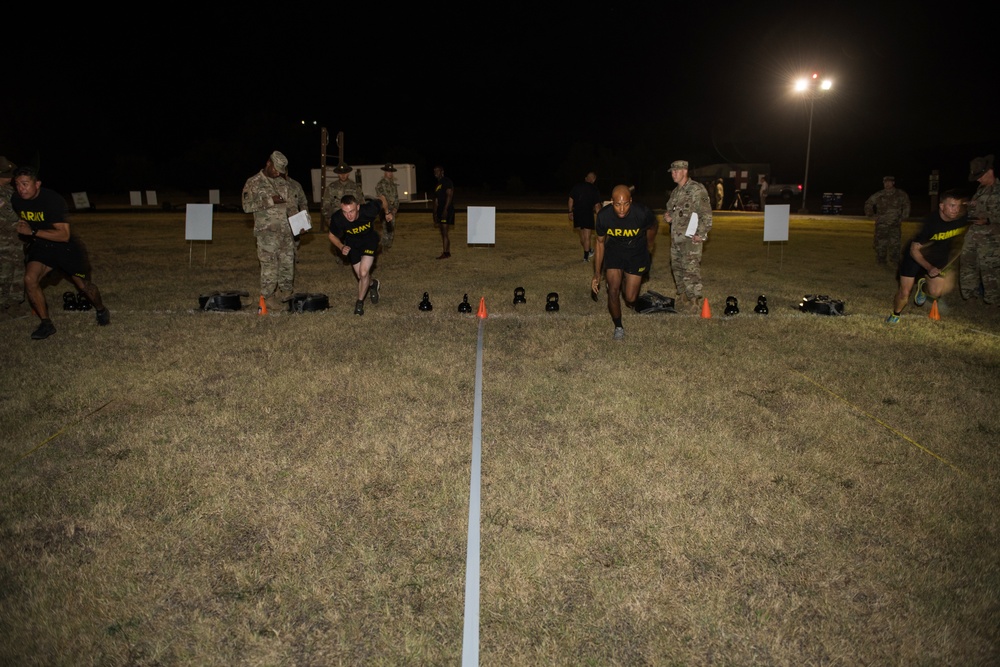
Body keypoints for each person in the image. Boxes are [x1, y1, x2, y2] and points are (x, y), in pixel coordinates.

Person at [11, 165, 110, 339]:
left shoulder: (53, 200)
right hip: (42, 246)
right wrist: (26, 230)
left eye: (25, 184)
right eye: (17, 184)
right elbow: (26, 219)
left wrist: (32, 232)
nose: (21, 188)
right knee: (29, 279)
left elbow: (64, 235)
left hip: (66, 248)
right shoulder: (16, 200)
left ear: (37, 184)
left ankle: (101, 310)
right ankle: (46, 324)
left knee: (83, 286)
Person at [885, 189, 968, 323]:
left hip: (938, 256)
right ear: (942, 206)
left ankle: (922, 286)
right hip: (915, 256)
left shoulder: (962, 219)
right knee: (904, 293)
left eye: (958, 206)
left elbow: (979, 215)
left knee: (935, 293)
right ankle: (896, 315)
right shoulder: (930, 223)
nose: (956, 210)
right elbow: (914, 250)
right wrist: (929, 268)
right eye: (952, 205)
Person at [591, 184, 658, 340]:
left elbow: (653, 225)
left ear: (631, 201)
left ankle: (624, 282)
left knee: (631, 298)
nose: (622, 209)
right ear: (611, 202)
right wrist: (597, 273)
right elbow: (600, 243)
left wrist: (649, 244)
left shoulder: (642, 213)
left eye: (626, 204)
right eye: (617, 205)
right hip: (614, 250)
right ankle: (618, 326)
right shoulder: (604, 216)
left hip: (636, 251)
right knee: (613, 290)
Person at [242, 151, 298, 312]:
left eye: (280, 171)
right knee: (270, 266)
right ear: (268, 163)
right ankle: (268, 297)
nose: (277, 173)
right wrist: (269, 201)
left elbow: (292, 206)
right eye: (275, 169)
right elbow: (246, 206)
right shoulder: (253, 182)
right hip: (267, 233)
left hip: (286, 232)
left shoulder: (283, 183)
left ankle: (286, 294)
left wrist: (299, 224)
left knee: (287, 264)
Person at [328, 193, 394, 315]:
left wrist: (387, 212)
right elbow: (332, 236)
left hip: (369, 240)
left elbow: (383, 198)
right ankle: (373, 284)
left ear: (358, 207)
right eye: (345, 212)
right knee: (361, 277)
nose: (348, 215)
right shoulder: (338, 218)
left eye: (351, 211)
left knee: (363, 273)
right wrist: (341, 246)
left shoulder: (369, 210)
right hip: (352, 244)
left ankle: (359, 303)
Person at [664, 160, 713, 312]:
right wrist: (668, 217)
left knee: (690, 270)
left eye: (675, 171)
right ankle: (682, 296)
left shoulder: (696, 189)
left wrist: (701, 234)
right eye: (672, 171)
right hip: (676, 239)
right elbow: (672, 212)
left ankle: (694, 301)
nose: (673, 174)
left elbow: (706, 214)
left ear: (684, 171)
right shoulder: (675, 192)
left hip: (691, 239)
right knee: (677, 268)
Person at [959, 154, 999, 305]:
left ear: (989, 172)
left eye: (980, 176)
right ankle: (970, 296)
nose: (977, 179)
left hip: (993, 238)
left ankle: (993, 301)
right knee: (968, 264)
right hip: (974, 234)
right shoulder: (980, 189)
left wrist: (988, 220)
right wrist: (969, 207)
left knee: (991, 269)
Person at [864, 175, 911, 266]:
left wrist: (904, 217)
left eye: (889, 182)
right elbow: (868, 203)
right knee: (881, 243)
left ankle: (895, 260)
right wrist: (871, 215)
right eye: (885, 182)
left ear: (893, 183)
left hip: (895, 223)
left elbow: (906, 205)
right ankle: (881, 260)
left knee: (895, 243)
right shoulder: (879, 195)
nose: (887, 184)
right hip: (882, 224)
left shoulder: (900, 194)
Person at [0, 156, 26, 317]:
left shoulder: (10, 190)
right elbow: (11, 215)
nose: (11, 177)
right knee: (3, 272)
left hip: (16, 240)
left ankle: (14, 304)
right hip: (2, 241)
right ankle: (1, 306)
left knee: (18, 271)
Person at [568, 170, 602, 261]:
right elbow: (597, 205)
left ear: (586, 178)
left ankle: (589, 251)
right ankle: (586, 257)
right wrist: (601, 217)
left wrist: (570, 211)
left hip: (577, 213)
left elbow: (571, 200)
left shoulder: (577, 187)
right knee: (587, 237)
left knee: (582, 236)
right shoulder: (594, 189)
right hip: (587, 213)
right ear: (594, 180)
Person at [285, 171, 311, 263]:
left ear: (287, 172)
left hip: (294, 221)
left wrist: (305, 221)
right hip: (277, 220)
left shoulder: (295, 185)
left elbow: (303, 203)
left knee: (295, 242)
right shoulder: (271, 185)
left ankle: (292, 259)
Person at [375, 163, 400, 250]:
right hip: (384, 210)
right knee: (386, 228)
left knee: (391, 229)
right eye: (388, 171)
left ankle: (388, 246)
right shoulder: (380, 184)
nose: (390, 173)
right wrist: (387, 211)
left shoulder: (393, 184)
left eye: (391, 172)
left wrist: (396, 207)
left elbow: (396, 197)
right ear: (385, 172)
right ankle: (383, 247)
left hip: (392, 210)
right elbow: (381, 198)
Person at [432, 165, 455, 259]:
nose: (435, 173)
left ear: (442, 171)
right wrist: (434, 213)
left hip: (447, 209)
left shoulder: (447, 181)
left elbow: (449, 195)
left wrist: (445, 209)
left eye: (437, 171)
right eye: (434, 171)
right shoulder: (438, 185)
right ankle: (447, 252)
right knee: (442, 232)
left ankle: (446, 253)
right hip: (440, 210)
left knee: (445, 232)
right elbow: (436, 200)